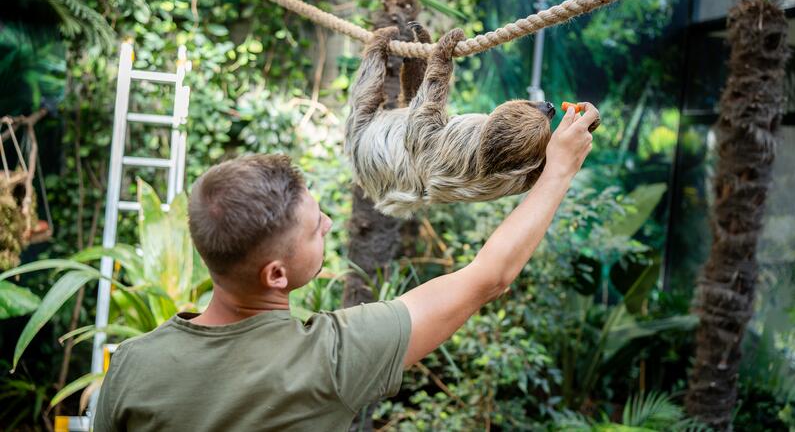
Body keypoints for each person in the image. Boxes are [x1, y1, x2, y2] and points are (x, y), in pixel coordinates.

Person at [93, 104, 598, 431]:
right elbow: (488, 277)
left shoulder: (133, 364)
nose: (332, 223)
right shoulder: (330, 359)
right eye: (317, 227)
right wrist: (559, 169)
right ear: (275, 274)